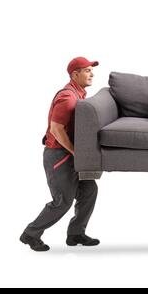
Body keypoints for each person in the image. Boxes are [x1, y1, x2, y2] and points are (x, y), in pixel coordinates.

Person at [20, 57, 101, 251]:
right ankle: (30, 234)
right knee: (62, 201)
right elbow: (56, 129)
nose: (92, 74)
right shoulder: (68, 97)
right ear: (75, 74)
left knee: (89, 190)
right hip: (59, 156)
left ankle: (75, 234)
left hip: (70, 155)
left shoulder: (78, 94)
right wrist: (76, 152)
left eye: (92, 70)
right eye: (87, 70)